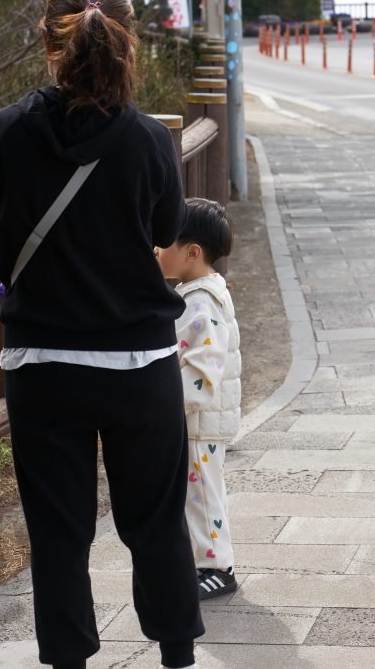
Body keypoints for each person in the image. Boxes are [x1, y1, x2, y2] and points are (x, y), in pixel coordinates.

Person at [0, 0, 203, 667]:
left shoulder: (4, 130)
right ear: (129, 44)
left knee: (58, 530)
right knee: (154, 519)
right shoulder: (150, 138)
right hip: (139, 364)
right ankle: (177, 652)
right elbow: (163, 230)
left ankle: (68, 658)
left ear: (47, 44)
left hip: (43, 365)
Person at [154, 198, 242, 602]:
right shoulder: (199, 293)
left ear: (192, 253)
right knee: (196, 493)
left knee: (202, 495)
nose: (156, 248)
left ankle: (217, 568)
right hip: (195, 420)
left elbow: (202, 373)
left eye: (164, 242)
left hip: (197, 420)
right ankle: (202, 561)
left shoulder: (202, 304)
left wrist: (164, 400)